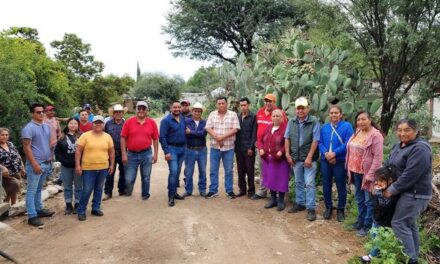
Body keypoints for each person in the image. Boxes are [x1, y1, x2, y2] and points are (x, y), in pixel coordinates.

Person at [382, 119, 432, 264]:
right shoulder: (398, 146)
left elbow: (411, 174)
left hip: (415, 194)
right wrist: (381, 181)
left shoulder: (420, 149)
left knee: (399, 223)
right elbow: (388, 165)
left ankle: (411, 259)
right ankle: (413, 256)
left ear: (416, 131)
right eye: (399, 130)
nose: (402, 133)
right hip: (406, 192)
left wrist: (392, 189)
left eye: (407, 130)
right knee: (409, 223)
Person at [346, 110, 384, 237]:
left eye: (363, 119)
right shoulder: (358, 131)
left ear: (370, 120)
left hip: (367, 174)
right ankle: (360, 222)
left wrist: (370, 176)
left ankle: (367, 226)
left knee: (369, 201)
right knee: (359, 199)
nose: (360, 122)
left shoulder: (376, 136)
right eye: (358, 120)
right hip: (355, 171)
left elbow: (378, 158)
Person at [285, 97, 320, 221]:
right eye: (298, 108)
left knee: (309, 183)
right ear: (295, 110)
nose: (300, 111)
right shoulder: (291, 121)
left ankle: (311, 208)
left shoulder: (314, 121)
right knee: (299, 182)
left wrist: (309, 157)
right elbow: (287, 138)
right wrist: (288, 155)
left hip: (309, 159)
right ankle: (300, 203)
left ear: (307, 109)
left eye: (302, 108)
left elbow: (316, 140)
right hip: (296, 158)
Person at [75, 115, 114, 221]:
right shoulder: (85, 136)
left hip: (103, 168)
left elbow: (111, 151)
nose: (98, 124)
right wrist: (78, 165)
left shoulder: (107, 137)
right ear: (92, 124)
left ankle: (95, 208)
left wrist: (111, 164)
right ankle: (81, 210)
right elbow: (78, 151)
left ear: (103, 124)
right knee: (87, 190)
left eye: (100, 123)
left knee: (99, 189)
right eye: (96, 122)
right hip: (88, 168)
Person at [22, 103, 55, 227]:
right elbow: (27, 148)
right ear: (32, 113)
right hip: (35, 164)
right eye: (38, 112)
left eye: (42, 111)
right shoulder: (28, 128)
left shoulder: (46, 127)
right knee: (31, 190)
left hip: (46, 163)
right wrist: (35, 164)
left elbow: (46, 144)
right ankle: (32, 215)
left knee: (39, 189)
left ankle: (39, 209)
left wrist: (50, 157)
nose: (41, 114)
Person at [318, 105, 354, 221]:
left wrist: (335, 153)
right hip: (325, 160)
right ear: (329, 115)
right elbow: (320, 143)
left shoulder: (347, 126)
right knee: (326, 184)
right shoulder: (325, 128)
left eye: (336, 113)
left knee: (340, 185)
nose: (333, 115)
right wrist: (326, 154)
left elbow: (348, 142)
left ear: (341, 114)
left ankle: (340, 209)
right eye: (331, 113)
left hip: (339, 161)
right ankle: (328, 207)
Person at [121, 101, 159, 200]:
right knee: (129, 178)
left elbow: (155, 138)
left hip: (146, 153)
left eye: (143, 108)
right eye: (139, 108)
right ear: (135, 109)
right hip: (131, 154)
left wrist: (155, 154)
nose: (141, 110)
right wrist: (124, 154)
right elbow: (123, 138)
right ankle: (128, 191)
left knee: (146, 177)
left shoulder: (152, 122)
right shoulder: (129, 121)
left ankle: (145, 194)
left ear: (147, 110)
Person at [252, 93, 287, 200]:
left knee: (276, 170)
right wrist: (258, 144)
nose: (268, 103)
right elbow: (256, 128)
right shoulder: (260, 112)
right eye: (266, 101)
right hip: (262, 147)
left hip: (276, 148)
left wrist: (282, 150)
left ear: (274, 102)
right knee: (264, 170)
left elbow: (285, 130)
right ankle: (263, 190)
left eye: (270, 101)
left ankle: (276, 194)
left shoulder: (279, 113)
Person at [361, 165, 399, 262]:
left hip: (386, 221)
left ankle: (372, 256)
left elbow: (386, 204)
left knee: (379, 239)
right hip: (377, 217)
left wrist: (379, 193)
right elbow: (375, 200)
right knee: (374, 236)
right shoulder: (379, 188)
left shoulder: (392, 192)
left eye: (381, 181)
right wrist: (374, 192)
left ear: (390, 180)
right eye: (377, 181)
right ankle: (376, 253)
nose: (378, 183)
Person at [205, 96, 240, 199]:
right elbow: (208, 128)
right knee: (213, 170)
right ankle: (213, 190)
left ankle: (229, 191)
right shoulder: (212, 114)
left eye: (223, 103)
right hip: (214, 147)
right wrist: (217, 138)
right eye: (219, 103)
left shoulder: (233, 114)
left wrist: (222, 138)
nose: (221, 105)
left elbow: (235, 129)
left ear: (226, 104)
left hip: (228, 148)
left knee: (229, 170)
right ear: (216, 104)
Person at [257, 109, 289, 211]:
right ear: (271, 118)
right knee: (270, 178)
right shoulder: (268, 127)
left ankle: (280, 200)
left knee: (280, 179)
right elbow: (260, 140)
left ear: (282, 118)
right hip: (268, 158)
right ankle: (273, 199)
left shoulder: (285, 129)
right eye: (274, 116)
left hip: (280, 159)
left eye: (278, 116)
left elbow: (288, 142)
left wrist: (282, 151)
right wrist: (261, 149)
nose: (275, 118)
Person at [159, 102, 187, 207]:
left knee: (177, 171)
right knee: (174, 171)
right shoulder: (166, 121)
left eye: (179, 107)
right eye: (175, 107)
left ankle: (174, 192)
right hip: (172, 149)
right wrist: (166, 152)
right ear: (171, 108)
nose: (177, 109)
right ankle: (171, 196)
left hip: (182, 149)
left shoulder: (182, 118)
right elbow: (162, 137)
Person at [54, 118, 82, 214]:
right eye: (71, 123)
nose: (73, 125)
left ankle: (77, 204)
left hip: (78, 166)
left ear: (78, 125)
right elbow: (57, 152)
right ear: (68, 124)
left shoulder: (82, 136)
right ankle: (68, 205)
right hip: (66, 166)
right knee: (67, 186)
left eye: (75, 123)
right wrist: (63, 161)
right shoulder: (62, 137)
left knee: (78, 186)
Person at [183, 102, 207, 197]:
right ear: (192, 111)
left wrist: (191, 132)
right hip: (189, 149)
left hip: (202, 150)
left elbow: (203, 134)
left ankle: (202, 190)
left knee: (203, 171)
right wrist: (195, 133)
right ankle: (188, 190)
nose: (197, 113)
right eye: (195, 111)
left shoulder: (205, 122)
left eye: (199, 111)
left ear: (201, 113)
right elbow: (186, 134)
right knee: (189, 171)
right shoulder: (186, 121)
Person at [103, 104, 126, 200]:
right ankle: (108, 192)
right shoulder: (108, 123)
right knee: (109, 172)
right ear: (113, 113)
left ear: (122, 113)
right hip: (111, 152)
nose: (118, 114)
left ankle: (122, 190)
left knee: (124, 172)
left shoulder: (126, 123)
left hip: (123, 151)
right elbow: (104, 136)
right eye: (116, 112)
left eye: (120, 112)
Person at [235, 97, 257, 198]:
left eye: (245, 105)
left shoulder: (253, 117)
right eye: (241, 105)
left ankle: (251, 190)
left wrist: (251, 148)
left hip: (248, 148)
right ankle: (242, 189)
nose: (243, 107)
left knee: (250, 170)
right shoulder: (237, 117)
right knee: (240, 170)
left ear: (248, 105)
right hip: (238, 148)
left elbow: (254, 133)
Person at [0, 128, 25, 205]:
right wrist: (2, 167)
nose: (5, 137)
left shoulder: (10, 144)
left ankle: (13, 206)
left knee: (14, 190)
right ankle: (6, 206)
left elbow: (18, 155)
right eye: (2, 135)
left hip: (16, 170)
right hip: (5, 174)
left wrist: (22, 167)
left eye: (6, 135)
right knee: (15, 185)